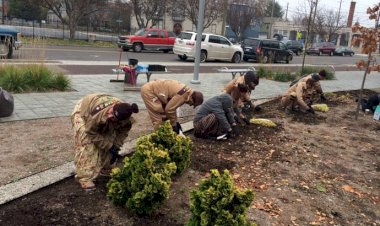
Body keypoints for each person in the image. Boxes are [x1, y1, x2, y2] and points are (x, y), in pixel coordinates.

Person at [71, 93, 139, 191]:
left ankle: (106, 168)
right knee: (88, 144)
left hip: (104, 118)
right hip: (84, 111)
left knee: (109, 140)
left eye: (113, 117)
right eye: (111, 112)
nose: (110, 114)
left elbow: (121, 135)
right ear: (113, 107)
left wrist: (115, 147)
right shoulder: (98, 114)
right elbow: (91, 132)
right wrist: (109, 146)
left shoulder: (126, 121)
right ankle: (84, 177)